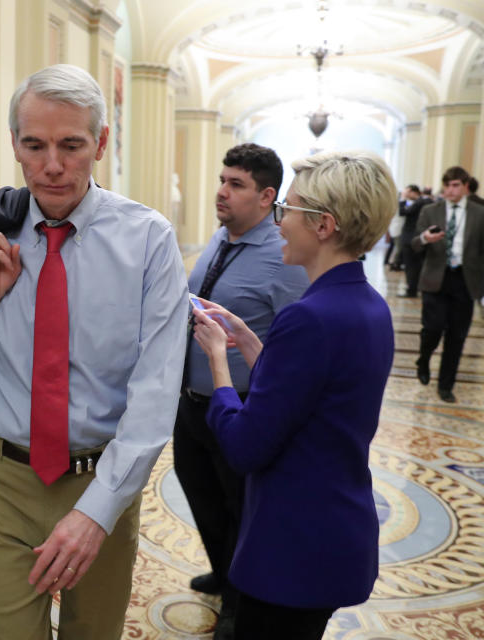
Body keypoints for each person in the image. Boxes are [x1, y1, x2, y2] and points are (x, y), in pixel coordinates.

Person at [0, 64, 188, 640]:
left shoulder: (147, 240)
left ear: (100, 142)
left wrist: (98, 512)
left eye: (71, 145)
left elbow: (155, 393)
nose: (52, 165)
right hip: (0, 479)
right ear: (16, 146)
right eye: (35, 145)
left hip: (102, 478)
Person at [190, 150, 397, 639]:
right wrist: (251, 342)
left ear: (323, 225)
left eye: (290, 210)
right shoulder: (368, 304)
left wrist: (219, 361)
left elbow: (243, 447)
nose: (280, 222)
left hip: (292, 546)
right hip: (336, 529)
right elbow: (311, 396)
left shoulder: (309, 317)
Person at [173, 143, 308, 637]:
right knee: (202, 494)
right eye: (222, 180)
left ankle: (239, 599)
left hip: (243, 405)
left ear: (267, 196)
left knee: (241, 509)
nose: (221, 191)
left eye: (236, 184)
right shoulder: (220, 238)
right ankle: (223, 570)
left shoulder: (282, 258)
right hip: (193, 404)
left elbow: (290, 345)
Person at [411, 166, 484, 403]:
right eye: (447, 185)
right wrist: (425, 238)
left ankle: (446, 385)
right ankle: (423, 359)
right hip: (435, 279)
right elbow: (413, 244)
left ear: (465, 186)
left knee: (457, 336)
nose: (450, 190)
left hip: (465, 281)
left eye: (455, 185)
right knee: (432, 328)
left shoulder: (479, 213)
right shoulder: (430, 210)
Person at [397, 184, 432, 297]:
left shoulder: (419, 202)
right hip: (419, 238)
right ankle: (415, 287)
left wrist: (402, 198)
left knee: (411, 265)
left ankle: (411, 290)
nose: (406, 195)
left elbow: (402, 212)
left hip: (410, 238)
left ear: (413, 192)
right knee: (416, 265)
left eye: (407, 192)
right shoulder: (426, 202)